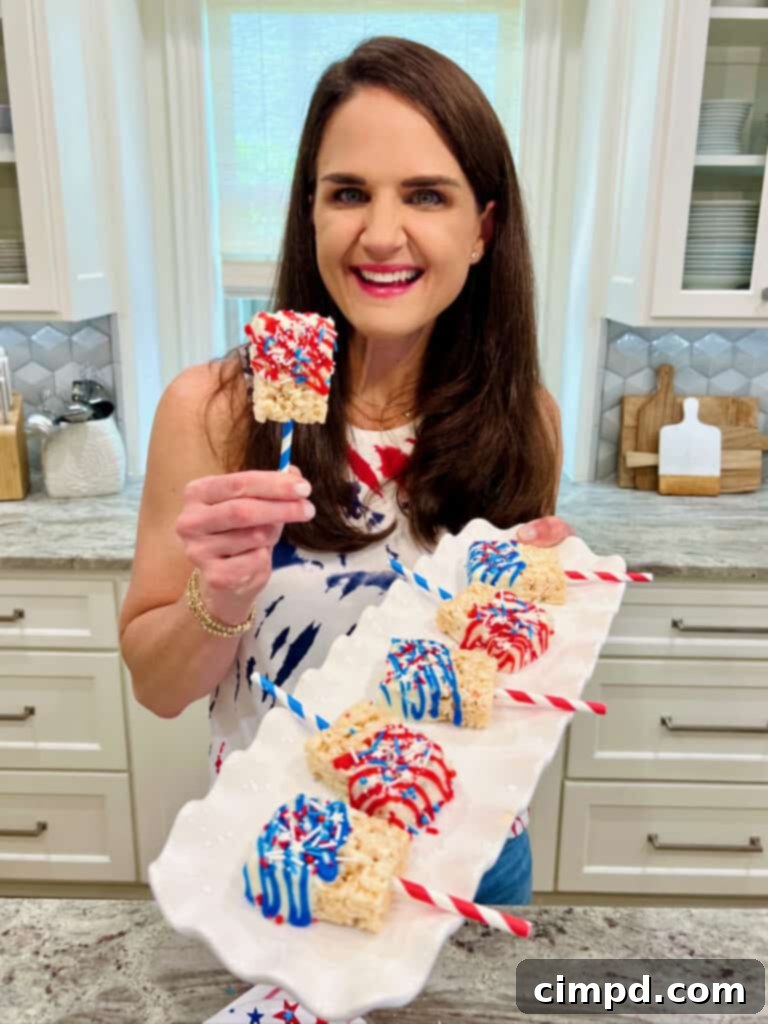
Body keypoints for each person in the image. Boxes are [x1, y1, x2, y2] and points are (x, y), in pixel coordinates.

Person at [119, 36, 573, 906]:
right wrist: (220, 596)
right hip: (280, 856)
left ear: (481, 230)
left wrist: (535, 603)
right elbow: (156, 688)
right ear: (312, 213)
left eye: (427, 195)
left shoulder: (527, 420)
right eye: (349, 193)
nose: (380, 233)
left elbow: (499, 687)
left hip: (470, 853)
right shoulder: (212, 412)